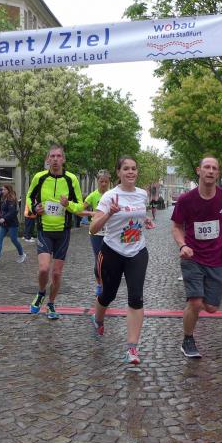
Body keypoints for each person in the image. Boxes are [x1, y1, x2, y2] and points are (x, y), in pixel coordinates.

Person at [89, 156, 155, 364]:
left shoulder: (142, 194)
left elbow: (137, 216)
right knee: (108, 294)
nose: (131, 172)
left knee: (136, 298)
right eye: (126, 168)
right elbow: (93, 228)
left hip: (137, 251)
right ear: (118, 172)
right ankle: (98, 318)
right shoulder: (110, 196)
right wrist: (109, 213)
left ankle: (132, 349)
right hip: (112, 251)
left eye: (134, 168)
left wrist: (145, 221)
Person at [172, 156, 222, 359]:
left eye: (214, 168)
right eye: (207, 167)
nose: (210, 171)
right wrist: (182, 245)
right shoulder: (186, 200)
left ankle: (192, 326)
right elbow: (176, 227)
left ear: (218, 173)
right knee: (196, 302)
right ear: (199, 171)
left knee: (211, 307)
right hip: (192, 256)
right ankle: (188, 340)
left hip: (216, 258)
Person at [26, 144, 84, 320]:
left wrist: (68, 204)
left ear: (63, 159)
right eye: (52, 156)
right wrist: (35, 208)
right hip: (44, 229)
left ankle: (51, 304)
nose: (55, 159)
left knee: (57, 273)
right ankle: (41, 292)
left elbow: (80, 206)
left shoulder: (71, 179)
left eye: (59, 156)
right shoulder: (39, 177)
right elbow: (29, 197)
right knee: (44, 269)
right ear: (47, 159)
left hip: (63, 232)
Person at [82, 170, 111, 297]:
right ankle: (99, 284)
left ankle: (107, 284)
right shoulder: (93, 195)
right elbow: (79, 210)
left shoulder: (112, 195)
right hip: (96, 232)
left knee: (109, 260)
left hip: (110, 231)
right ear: (97, 181)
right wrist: (92, 213)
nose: (103, 184)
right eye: (101, 181)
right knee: (98, 259)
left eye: (106, 182)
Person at [0, 184, 26, 264]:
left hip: (12, 224)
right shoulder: (3, 198)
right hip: (4, 224)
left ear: (9, 190)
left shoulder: (11, 199)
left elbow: (12, 212)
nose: (2, 191)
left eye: (4, 189)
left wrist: (4, 218)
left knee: (14, 240)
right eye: (2, 189)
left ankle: (22, 254)